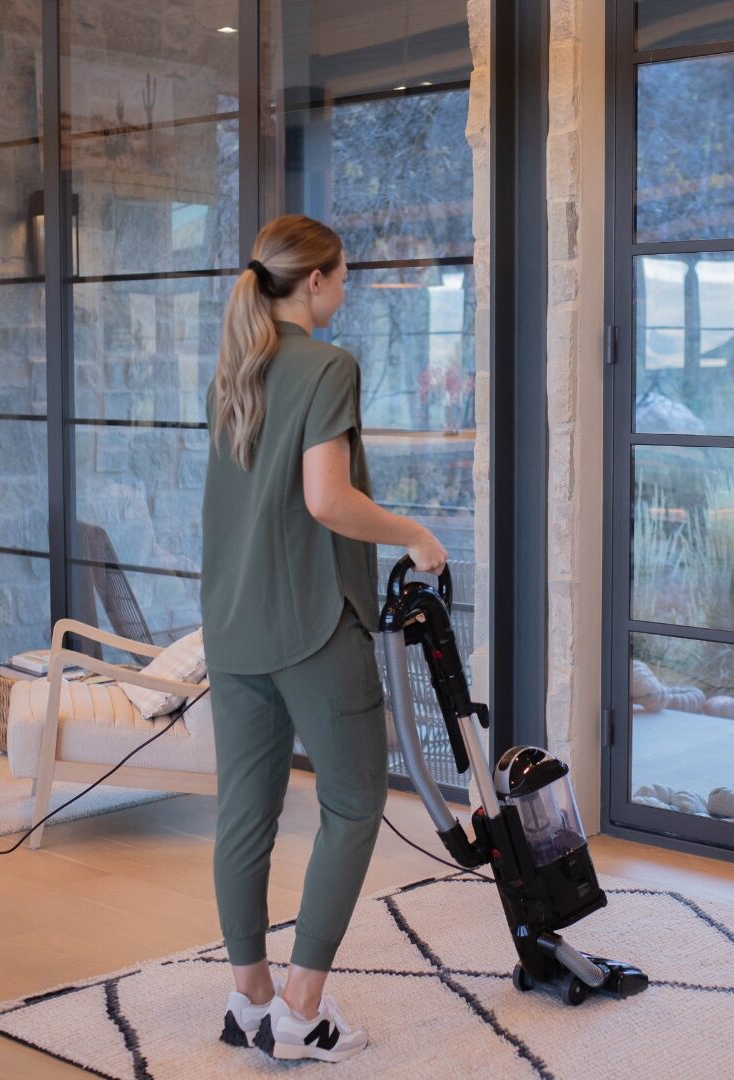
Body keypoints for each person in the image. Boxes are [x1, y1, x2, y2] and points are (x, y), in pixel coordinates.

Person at [201, 214, 447, 1064]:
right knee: (352, 803)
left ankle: (250, 999)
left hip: (231, 625)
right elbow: (327, 500)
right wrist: (414, 533)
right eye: (343, 276)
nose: (347, 289)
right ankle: (303, 1010)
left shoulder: (238, 368)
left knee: (245, 818)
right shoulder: (328, 365)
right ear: (315, 282)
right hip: (311, 622)